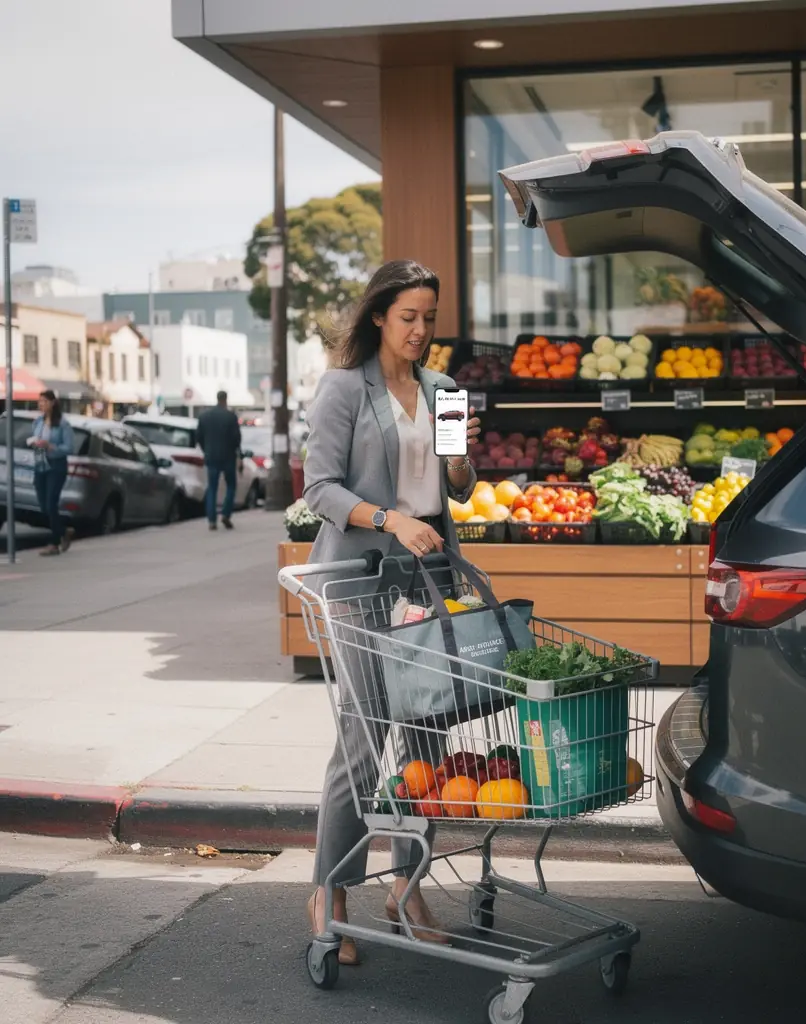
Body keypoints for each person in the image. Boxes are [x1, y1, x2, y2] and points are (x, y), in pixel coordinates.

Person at [302, 259, 481, 964]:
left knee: (431, 736)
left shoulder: (445, 391)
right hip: (358, 579)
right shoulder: (344, 388)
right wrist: (389, 520)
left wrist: (461, 462)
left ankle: (406, 885)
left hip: (429, 581)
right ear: (379, 315)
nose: (420, 329)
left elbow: (457, 490)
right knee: (364, 738)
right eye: (408, 315)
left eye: (429, 318)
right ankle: (330, 889)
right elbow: (321, 489)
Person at [26, 390, 75, 557]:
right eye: (39, 402)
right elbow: (35, 438)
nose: (41, 405)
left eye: (44, 401)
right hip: (40, 464)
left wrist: (51, 446)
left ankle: (54, 543)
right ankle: (63, 531)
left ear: (53, 403)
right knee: (43, 504)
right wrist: (35, 443)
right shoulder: (38, 422)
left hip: (56, 465)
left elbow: (69, 448)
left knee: (51, 503)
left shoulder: (62, 424)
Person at [196, 390, 241, 531]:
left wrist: (206, 450)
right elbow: (236, 439)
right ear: (226, 399)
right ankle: (226, 514)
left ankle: (211, 520)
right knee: (231, 486)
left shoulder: (204, 417)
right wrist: (236, 453)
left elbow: (199, 437)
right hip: (228, 456)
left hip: (211, 456)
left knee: (212, 488)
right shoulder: (230, 417)